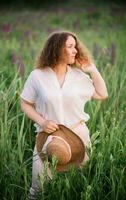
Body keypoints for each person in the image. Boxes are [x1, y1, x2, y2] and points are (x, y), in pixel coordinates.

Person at [20, 31, 108, 199]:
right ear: (57, 48)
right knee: (37, 191)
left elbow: (102, 94)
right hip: (48, 137)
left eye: (75, 46)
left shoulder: (78, 76)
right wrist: (42, 121)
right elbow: (25, 103)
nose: (75, 50)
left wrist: (92, 69)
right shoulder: (37, 76)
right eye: (70, 46)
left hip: (78, 137)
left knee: (80, 188)